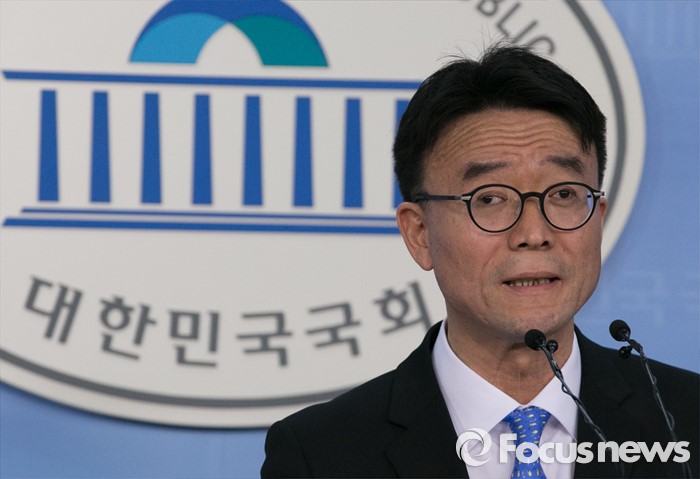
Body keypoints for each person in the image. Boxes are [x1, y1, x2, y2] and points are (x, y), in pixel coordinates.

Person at [260, 44, 699, 478]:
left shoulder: (687, 422)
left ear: (597, 219)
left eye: (564, 194)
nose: (533, 234)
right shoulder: (322, 455)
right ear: (419, 234)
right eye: (489, 199)